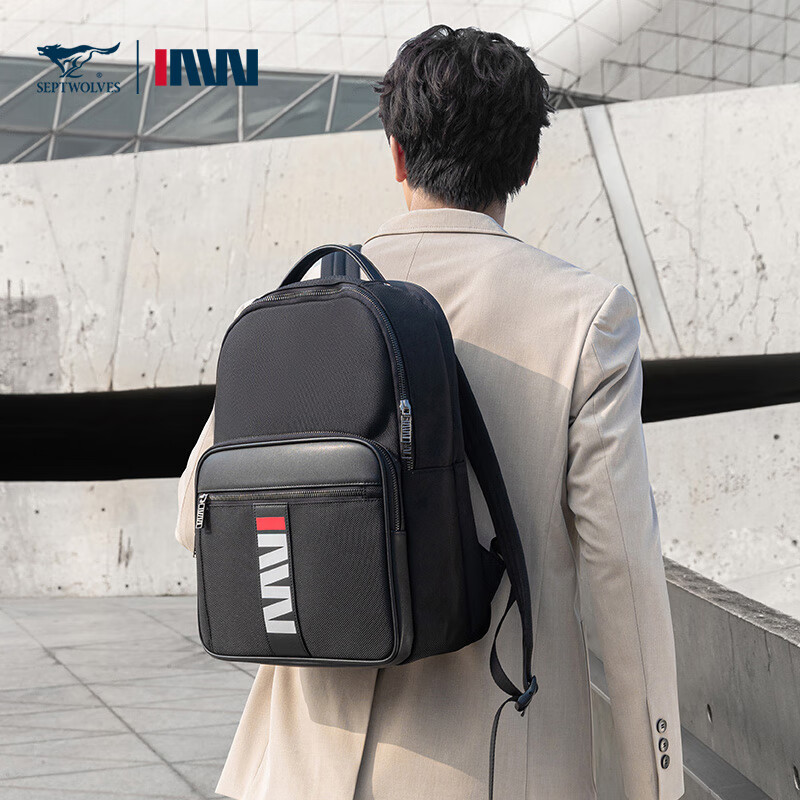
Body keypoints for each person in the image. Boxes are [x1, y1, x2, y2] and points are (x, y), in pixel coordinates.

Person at [175, 24, 684, 800]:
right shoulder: (586, 318)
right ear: (526, 163)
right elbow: (624, 576)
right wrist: (657, 780)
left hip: (291, 766)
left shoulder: (303, 305)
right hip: (486, 763)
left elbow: (197, 520)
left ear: (396, 153)